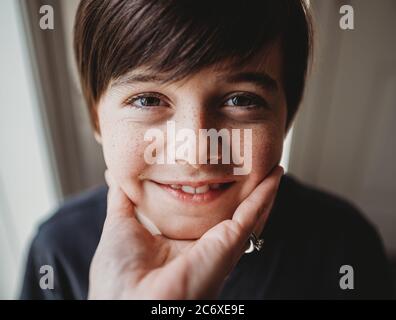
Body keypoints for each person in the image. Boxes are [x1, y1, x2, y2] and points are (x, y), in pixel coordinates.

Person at [20, 0, 393, 299]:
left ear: (286, 119)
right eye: (148, 99)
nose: (196, 153)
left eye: (241, 99)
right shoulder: (57, 253)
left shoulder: (346, 247)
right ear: (97, 120)